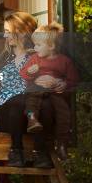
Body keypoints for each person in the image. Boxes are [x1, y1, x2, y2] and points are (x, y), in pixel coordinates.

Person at [0, 11, 55, 168]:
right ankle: (16, 150)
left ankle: (41, 153)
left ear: (21, 32)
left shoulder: (38, 56)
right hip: (6, 113)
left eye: (8, 32)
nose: (5, 36)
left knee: (44, 103)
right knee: (19, 100)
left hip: (30, 114)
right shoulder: (2, 58)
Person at [20, 22, 78, 160]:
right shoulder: (35, 59)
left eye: (38, 45)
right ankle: (32, 119)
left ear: (51, 46)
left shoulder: (64, 62)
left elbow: (73, 80)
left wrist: (63, 84)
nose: (35, 48)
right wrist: (29, 71)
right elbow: (23, 74)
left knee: (64, 114)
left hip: (54, 93)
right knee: (31, 103)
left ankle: (62, 144)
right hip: (36, 90)